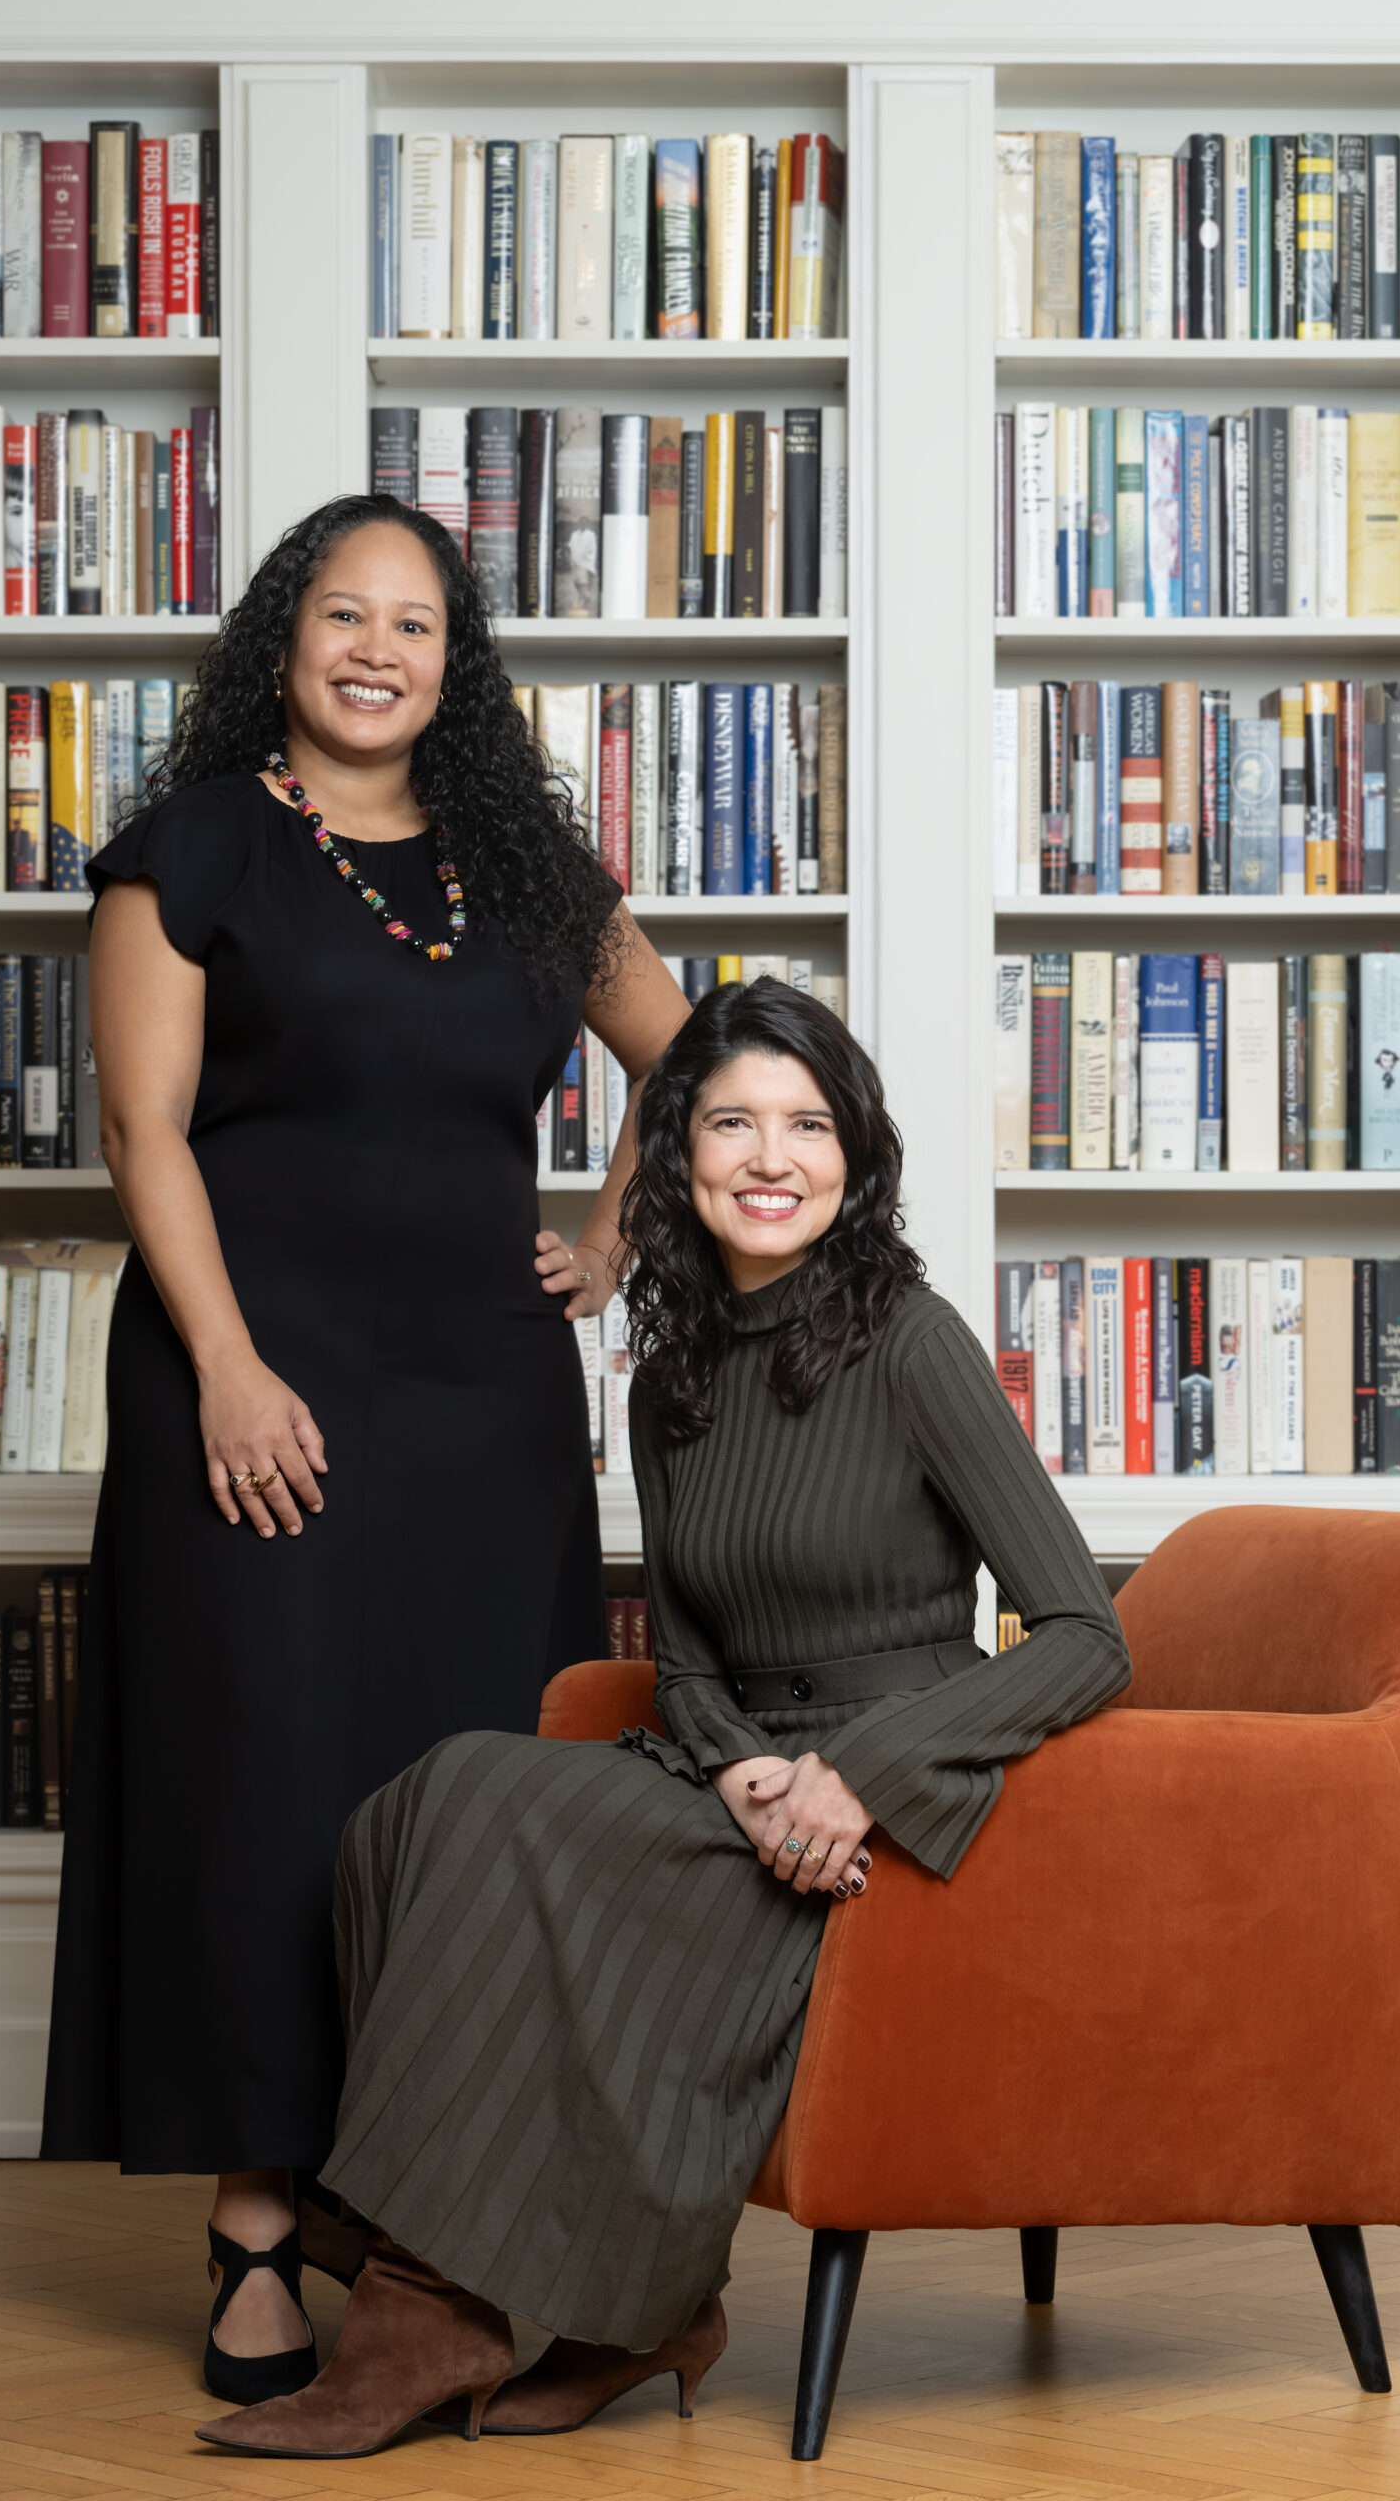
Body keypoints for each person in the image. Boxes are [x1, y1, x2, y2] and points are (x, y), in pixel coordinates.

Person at [196, 976, 1132, 2461]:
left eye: (810, 1124)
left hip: (896, 1778)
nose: (773, 1158)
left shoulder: (912, 1337)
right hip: (744, 1774)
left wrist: (856, 1779)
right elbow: (687, 1661)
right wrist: (750, 1769)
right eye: (734, 1122)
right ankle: (560, 2289)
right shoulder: (673, 1370)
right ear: (678, 1155)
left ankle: (432, 2303)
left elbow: (1089, 1635)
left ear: (857, 1155)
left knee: (507, 1809)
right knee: (434, 1799)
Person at [39, 494, 689, 2406]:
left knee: (470, 1809)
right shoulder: (197, 848)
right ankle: (256, 2236)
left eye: (417, 622)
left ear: (454, 664)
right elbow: (145, 1135)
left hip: (480, 1413)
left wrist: (615, 1230)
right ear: (287, 634)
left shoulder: (523, 865)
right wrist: (227, 1368)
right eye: (345, 612)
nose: (378, 648)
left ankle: (438, 2230)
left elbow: (711, 1050)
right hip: (254, 1394)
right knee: (267, 1793)